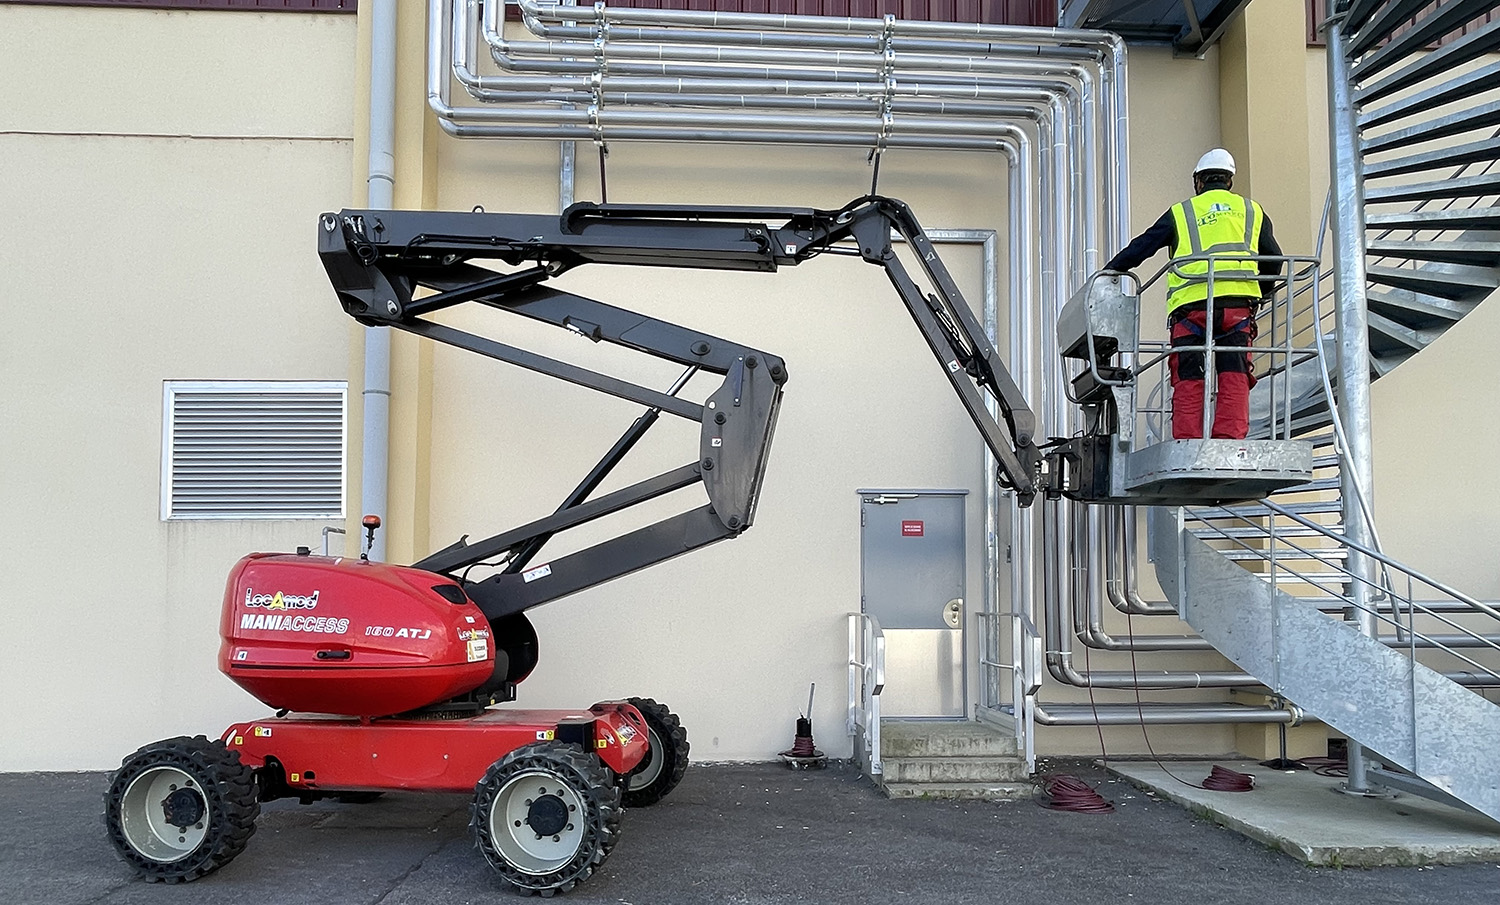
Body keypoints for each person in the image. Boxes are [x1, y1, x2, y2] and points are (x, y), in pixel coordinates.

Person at [1103, 148, 1282, 440]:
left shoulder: (1182, 212)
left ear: (1198, 181)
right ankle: (1229, 441)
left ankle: (1188, 440)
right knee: (1234, 374)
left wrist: (1110, 270)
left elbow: (1143, 246)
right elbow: (1274, 260)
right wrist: (1260, 293)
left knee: (1188, 376)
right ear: (1229, 181)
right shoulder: (1253, 211)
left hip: (1191, 309)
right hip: (1237, 308)